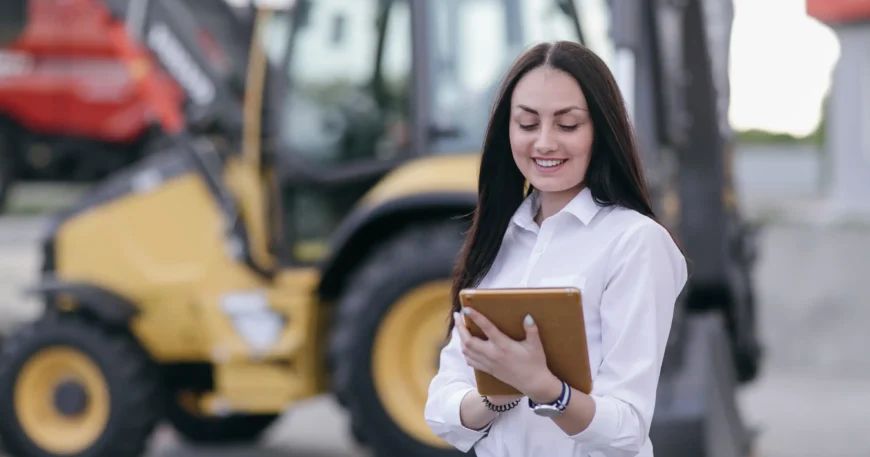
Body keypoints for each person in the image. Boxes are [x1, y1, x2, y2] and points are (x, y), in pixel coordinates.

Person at [424, 41, 688, 457]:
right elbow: (443, 411)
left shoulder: (635, 242)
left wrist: (544, 388)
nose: (544, 142)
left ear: (600, 130)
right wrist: (497, 394)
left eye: (567, 125)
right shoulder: (498, 239)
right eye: (528, 124)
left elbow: (627, 429)